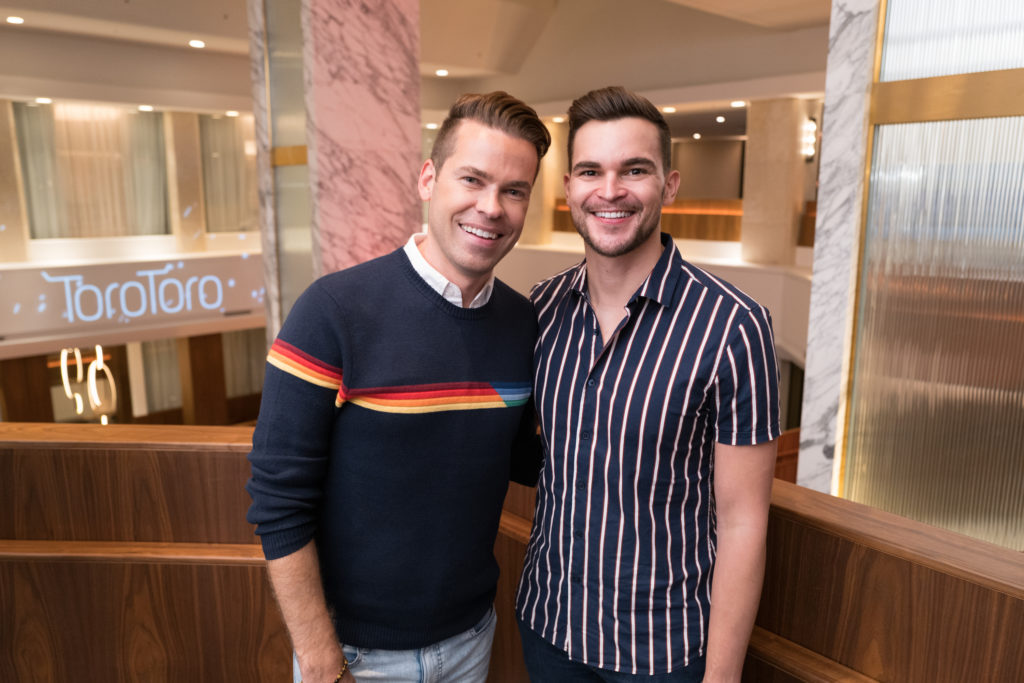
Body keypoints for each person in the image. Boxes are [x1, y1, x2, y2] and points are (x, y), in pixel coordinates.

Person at [246, 91, 551, 683]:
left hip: (472, 638)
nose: (491, 207)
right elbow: (278, 503)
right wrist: (321, 660)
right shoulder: (333, 311)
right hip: (353, 655)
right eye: (472, 180)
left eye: (514, 191)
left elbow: (521, 458)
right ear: (428, 179)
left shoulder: (523, 323)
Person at [516, 86, 780, 682]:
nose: (609, 191)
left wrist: (721, 677)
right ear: (569, 188)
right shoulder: (541, 308)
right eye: (591, 171)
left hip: (662, 651)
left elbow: (743, 523)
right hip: (549, 626)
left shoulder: (734, 325)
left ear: (669, 184)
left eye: (634, 170)